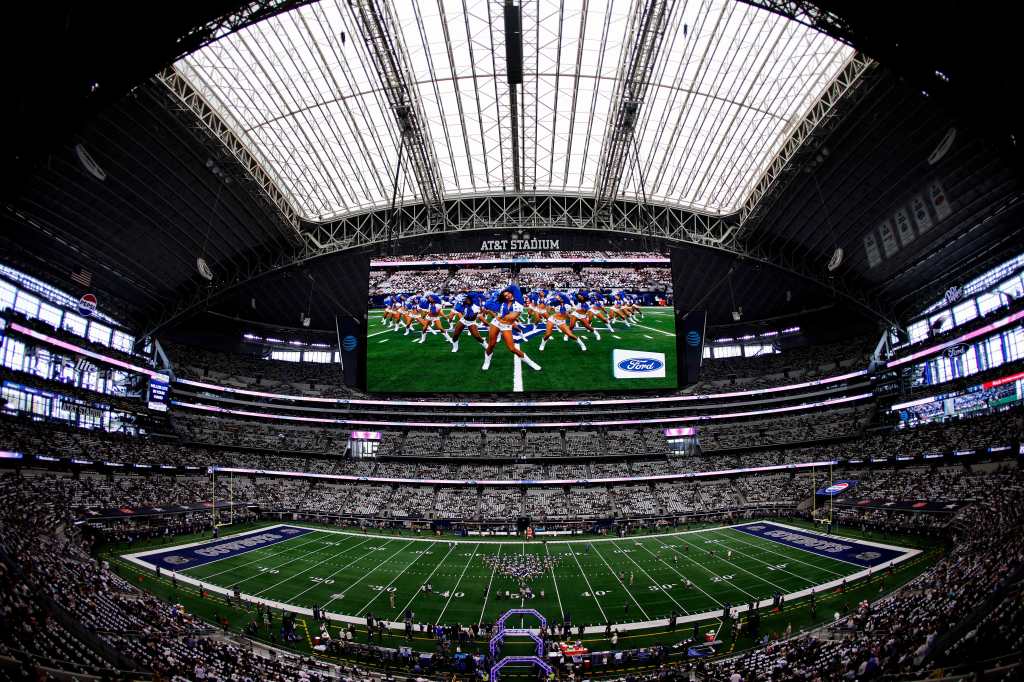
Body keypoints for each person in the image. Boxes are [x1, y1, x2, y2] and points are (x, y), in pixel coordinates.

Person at [482, 285, 541, 371]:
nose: (507, 296)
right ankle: (487, 362)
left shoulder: (519, 301)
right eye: (505, 295)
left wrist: (503, 289)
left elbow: (513, 287)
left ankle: (531, 362)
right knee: (491, 345)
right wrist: (496, 295)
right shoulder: (501, 303)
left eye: (508, 294)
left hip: (507, 326)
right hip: (496, 323)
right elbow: (487, 304)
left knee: (512, 348)